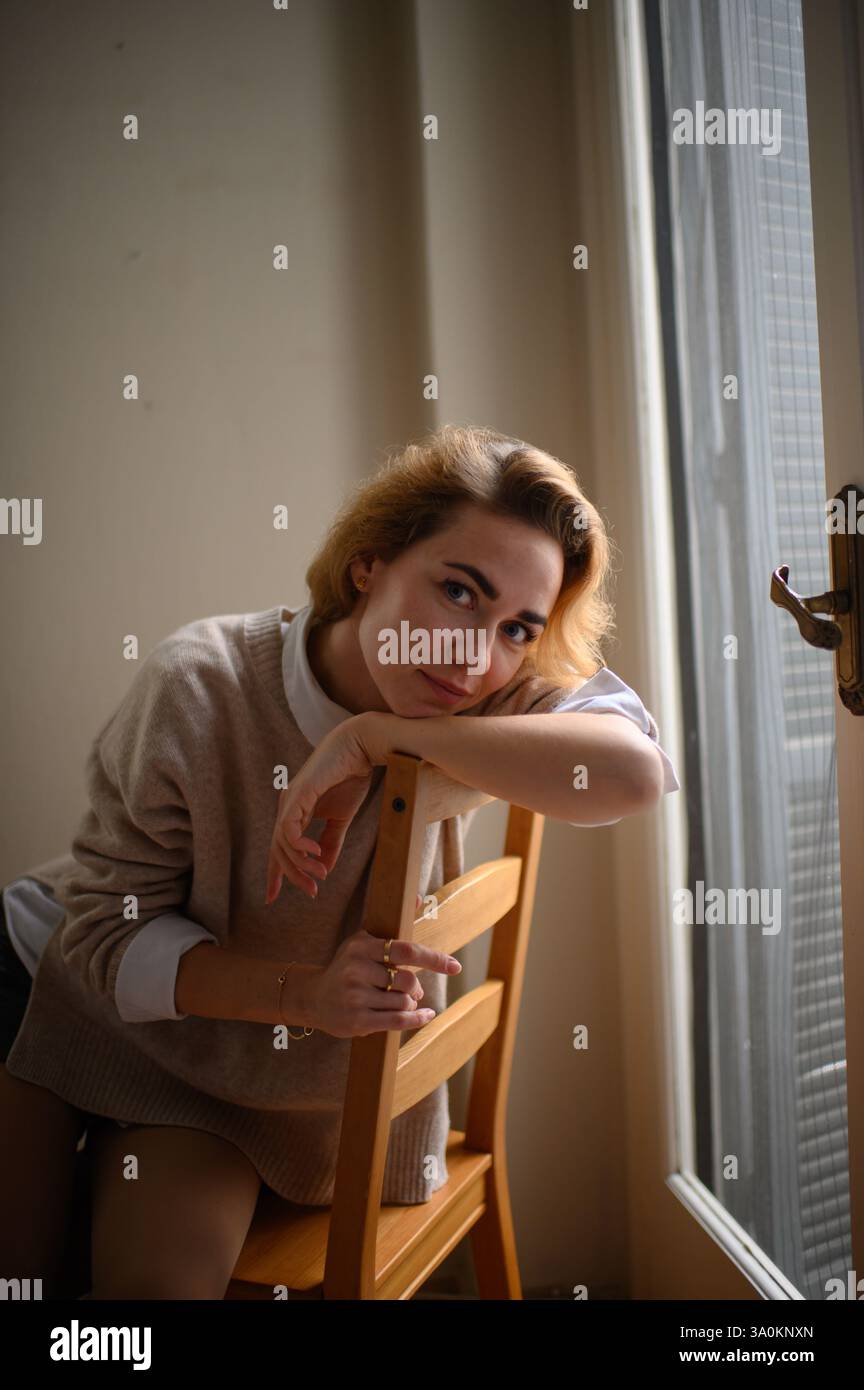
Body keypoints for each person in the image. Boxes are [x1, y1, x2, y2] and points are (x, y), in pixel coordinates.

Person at [0, 424, 679, 1299]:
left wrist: (375, 737)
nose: (474, 656)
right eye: (458, 591)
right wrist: (307, 997)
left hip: (226, 1077)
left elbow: (635, 772)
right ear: (370, 562)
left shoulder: (482, 703)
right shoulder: (200, 682)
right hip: (50, 989)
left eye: (517, 626)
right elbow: (100, 942)